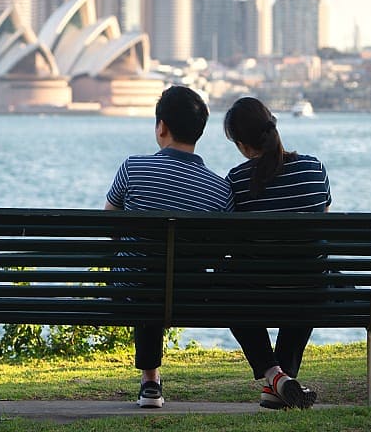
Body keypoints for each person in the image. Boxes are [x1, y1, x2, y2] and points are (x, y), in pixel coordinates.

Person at [105, 85, 233, 408]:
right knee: (162, 272)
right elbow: (221, 251)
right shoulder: (220, 190)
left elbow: (109, 224)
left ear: (161, 127)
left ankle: (150, 381)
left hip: (131, 288)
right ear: (199, 132)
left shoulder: (132, 168)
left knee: (145, 270)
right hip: (190, 293)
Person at [223, 96, 331, 410]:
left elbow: (231, 243)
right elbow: (321, 223)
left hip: (258, 293)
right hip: (310, 292)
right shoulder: (314, 169)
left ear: (242, 145)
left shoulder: (237, 181)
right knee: (311, 273)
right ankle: (281, 383)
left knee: (223, 287)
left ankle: (275, 375)